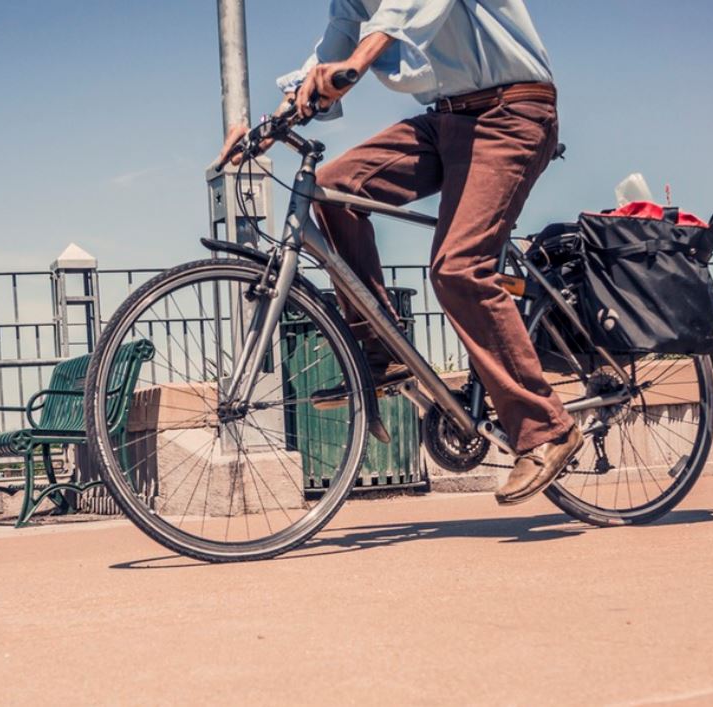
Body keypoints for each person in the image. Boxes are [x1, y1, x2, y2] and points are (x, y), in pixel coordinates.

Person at [217, 0, 581, 506]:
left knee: (458, 267)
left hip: (513, 112)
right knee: (335, 188)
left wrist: (357, 65)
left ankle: (547, 429)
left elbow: (399, 12)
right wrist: (271, 124)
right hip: (447, 118)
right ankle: (380, 352)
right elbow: (339, 36)